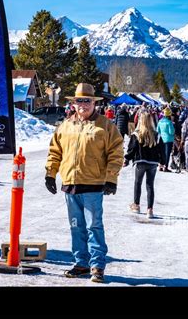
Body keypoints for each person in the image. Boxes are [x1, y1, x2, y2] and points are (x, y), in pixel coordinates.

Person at [45, 83, 124, 283]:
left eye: (87, 101)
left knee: (94, 227)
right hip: (70, 186)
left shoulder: (105, 126)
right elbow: (55, 152)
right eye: (79, 100)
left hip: (93, 186)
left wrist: (111, 178)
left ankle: (97, 266)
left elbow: (116, 153)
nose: (83, 104)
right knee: (76, 227)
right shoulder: (65, 126)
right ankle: (81, 263)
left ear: (94, 103)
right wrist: (50, 174)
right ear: (74, 103)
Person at [124, 112, 163, 218]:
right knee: (150, 185)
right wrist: (162, 161)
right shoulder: (156, 134)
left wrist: (127, 159)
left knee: (138, 183)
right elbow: (161, 149)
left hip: (140, 162)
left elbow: (132, 149)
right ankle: (149, 210)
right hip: (153, 163)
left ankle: (136, 205)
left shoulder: (136, 134)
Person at [157, 107, 175, 172]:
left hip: (161, 139)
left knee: (162, 153)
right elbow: (171, 132)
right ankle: (165, 167)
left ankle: (160, 166)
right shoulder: (169, 122)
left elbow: (157, 130)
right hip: (168, 140)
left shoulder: (160, 121)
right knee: (167, 154)